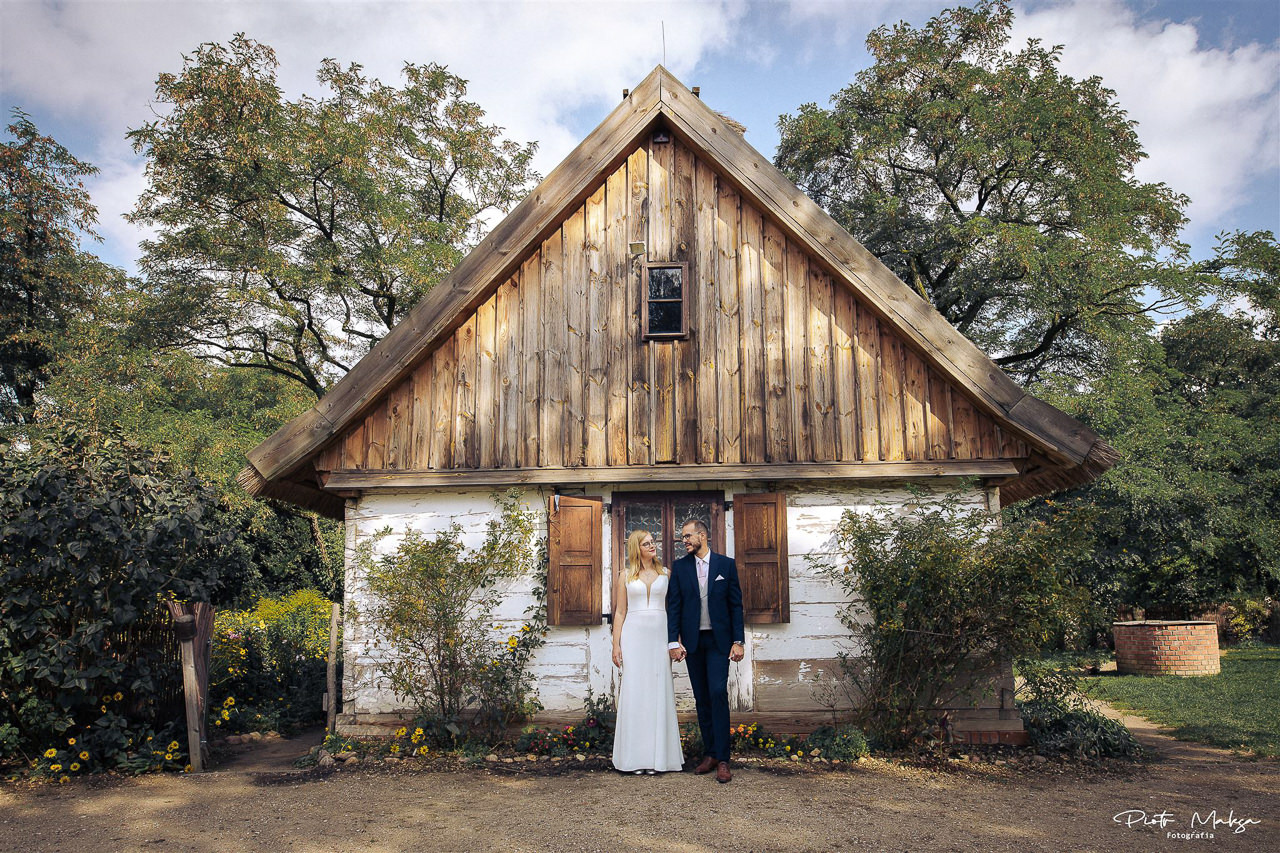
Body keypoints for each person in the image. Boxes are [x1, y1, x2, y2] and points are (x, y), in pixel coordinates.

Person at [666, 518, 744, 783]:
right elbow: (674, 607)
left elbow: (736, 605)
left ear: (702, 535)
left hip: (719, 642)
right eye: (683, 537)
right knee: (701, 698)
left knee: (717, 692)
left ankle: (723, 759)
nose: (684, 541)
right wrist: (672, 642)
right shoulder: (680, 568)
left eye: (687, 536)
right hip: (693, 643)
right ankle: (709, 754)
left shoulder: (726, 565)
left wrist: (738, 641)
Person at [610, 529, 683, 774]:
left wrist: (677, 641)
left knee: (658, 691)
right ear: (636, 548)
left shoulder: (667, 574)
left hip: (660, 637)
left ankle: (658, 759)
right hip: (634, 637)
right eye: (647, 543)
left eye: (653, 542)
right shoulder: (625, 576)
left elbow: (674, 612)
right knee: (635, 693)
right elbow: (620, 612)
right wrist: (616, 645)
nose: (653, 546)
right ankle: (634, 759)